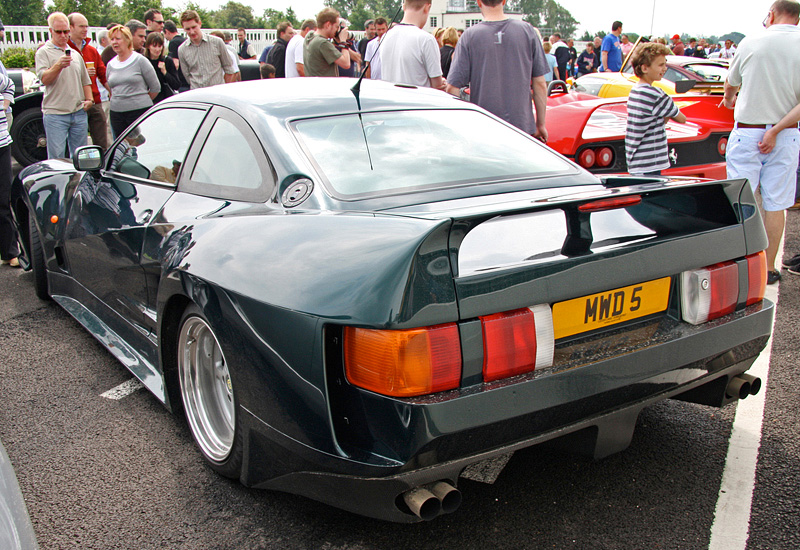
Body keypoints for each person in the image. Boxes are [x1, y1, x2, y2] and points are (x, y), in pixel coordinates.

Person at [723, 0, 800, 284]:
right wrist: (776, 129)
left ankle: (741, 263)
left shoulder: (752, 41)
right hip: (787, 132)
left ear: (771, 14)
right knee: (775, 203)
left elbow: (731, 82)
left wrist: (729, 98)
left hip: (748, 130)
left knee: (741, 198)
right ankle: (767, 269)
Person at [445, 0, 549, 140]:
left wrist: (462, 125)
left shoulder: (469, 36)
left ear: (479, 2)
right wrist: (540, 124)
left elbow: (452, 88)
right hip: (521, 128)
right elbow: (540, 84)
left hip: (484, 127)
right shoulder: (527, 31)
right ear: (504, 1)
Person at [35, 12, 93, 159]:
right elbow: (44, 79)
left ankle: (80, 181)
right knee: (57, 158)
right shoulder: (43, 52)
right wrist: (58, 65)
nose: (63, 35)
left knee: (81, 157)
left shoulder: (75, 54)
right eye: (58, 31)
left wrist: (90, 100)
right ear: (50, 31)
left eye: (66, 31)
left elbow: (85, 80)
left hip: (78, 112)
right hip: (55, 113)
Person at [625, 43, 686, 176]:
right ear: (645, 68)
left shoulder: (635, 91)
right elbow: (682, 119)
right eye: (660, 65)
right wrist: (669, 107)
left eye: (665, 64)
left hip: (635, 160)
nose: (664, 69)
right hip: (650, 162)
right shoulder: (656, 94)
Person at [106, 25, 160, 138]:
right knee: (120, 147)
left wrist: (139, 100)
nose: (115, 42)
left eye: (118, 38)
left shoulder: (140, 60)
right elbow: (111, 88)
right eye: (112, 39)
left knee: (140, 145)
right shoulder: (111, 64)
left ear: (127, 40)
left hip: (138, 112)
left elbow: (155, 87)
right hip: (117, 113)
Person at [68, 12, 110, 151]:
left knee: (101, 142)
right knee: (78, 146)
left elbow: (102, 74)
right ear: (71, 27)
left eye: (86, 26)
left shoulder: (91, 50)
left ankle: (102, 168)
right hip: (74, 103)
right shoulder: (65, 50)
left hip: (94, 100)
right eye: (81, 26)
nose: (85, 29)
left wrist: (112, 92)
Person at [380, 0, 444, 89]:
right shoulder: (426, 39)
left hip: (390, 101)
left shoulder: (385, 37)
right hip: (417, 101)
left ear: (403, 6)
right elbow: (437, 86)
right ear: (427, 8)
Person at [178, 10, 237, 89]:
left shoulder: (217, 42)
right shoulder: (182, 50)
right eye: (188, 29)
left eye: (194, 27)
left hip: (217, 92)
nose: (192, 32)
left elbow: (229, 69)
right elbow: (187, 76)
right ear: (183, 28)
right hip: (197, 94)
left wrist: (223, 89)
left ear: (199, 23)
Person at [0, 72, 18, 268]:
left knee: (3, 199)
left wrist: (5, 105)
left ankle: (9, 251)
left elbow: (9, 85)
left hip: (2, 143)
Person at [303, 8, 354, 77]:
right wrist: (343, 41)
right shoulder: (322, 43)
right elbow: (346, 64)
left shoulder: (309, 36)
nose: (337, 30)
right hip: (325, 86)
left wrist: (336, 41)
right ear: (328, 25)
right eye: (336, 27)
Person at [143, 32, 180, 103]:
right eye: (154, 46)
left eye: (160, 46)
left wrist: (165, 72)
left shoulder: (167, 61)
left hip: (164, 100)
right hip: (148, 99)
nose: (157, 49)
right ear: (148, 46)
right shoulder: (144, 61)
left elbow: (176, 85)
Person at [164, 20, 189, 92]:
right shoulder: (184, 40)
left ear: (167, 31)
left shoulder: (173, 42)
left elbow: (175, 64)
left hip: (182, 82)